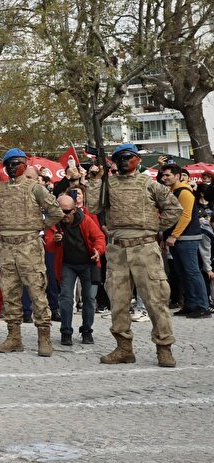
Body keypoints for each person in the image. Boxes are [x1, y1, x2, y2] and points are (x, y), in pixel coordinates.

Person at [85, 144, 183, 367]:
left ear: (138, 160)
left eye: (127, 157)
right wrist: (94, 180)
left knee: (155, 300)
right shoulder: (107, 184)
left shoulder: (150, 184)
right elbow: (92, 206)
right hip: (117, 249)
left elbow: (174, 209)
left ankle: (164, 348)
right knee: (118, 301)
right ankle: (123, 348)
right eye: (118, 157)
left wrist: (153, 227)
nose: (123, 161)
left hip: (145, 248)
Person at [0, 148, 64, 357]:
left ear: (24, 165)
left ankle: (44, 338)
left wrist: (39, 225)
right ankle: (14, 337)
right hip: (7, 246)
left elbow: (56, 212)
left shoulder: (35, 188)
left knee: (37, 292)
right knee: (10, 293)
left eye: (16, 163)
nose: (12, 167)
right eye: (8, 163)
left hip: (29, 246)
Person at [44, 194, 105, 346]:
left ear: (74, 210)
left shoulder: (85, 220)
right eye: (60, 211)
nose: (63, 215)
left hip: (88, 263)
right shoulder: (54, 222)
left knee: (89, 299)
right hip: (67, 265)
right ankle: (66, 332)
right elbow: (49, 246)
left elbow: (99, 237)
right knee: (65, 298)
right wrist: (56, 242)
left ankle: (86, 331)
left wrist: (98, 250)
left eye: (67, 211)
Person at [158, 164, 211, 318]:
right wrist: (166, 236)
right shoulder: (174, 191)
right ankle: (191, 304)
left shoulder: (185, 192)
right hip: (177, 237)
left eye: (168, 175)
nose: (164, 178)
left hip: (186, 237)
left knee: (192, 272)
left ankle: (203, 306)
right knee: (184, 273)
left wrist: (174, 235)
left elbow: (185, 216)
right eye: (163, 175)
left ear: (178, 176)